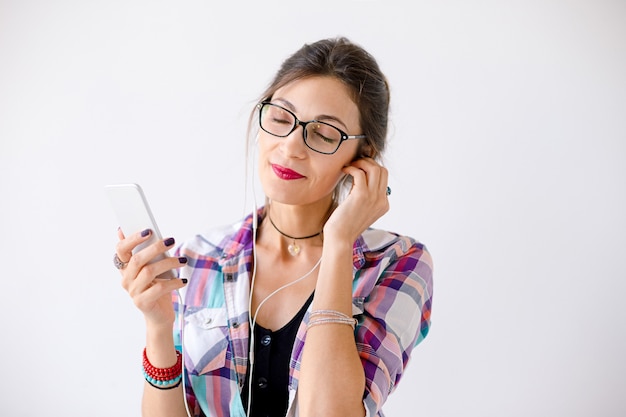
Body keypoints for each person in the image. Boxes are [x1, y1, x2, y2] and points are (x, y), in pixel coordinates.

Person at [113, 37, 434, 417]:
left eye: (324, 134)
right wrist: (158, 325)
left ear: (362, 159)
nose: (291, 147)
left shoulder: (398, 263)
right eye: (281, 118)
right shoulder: (201, 259)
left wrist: (339, 243)